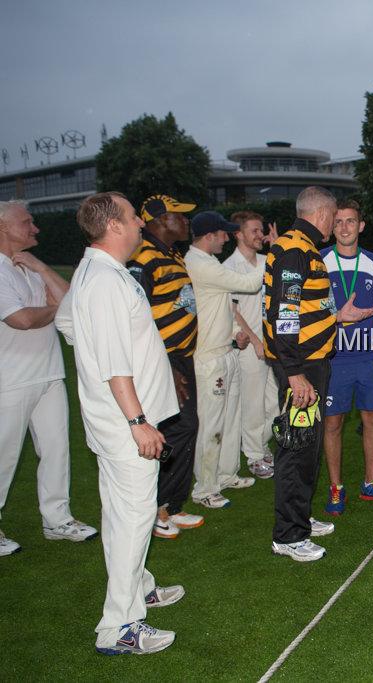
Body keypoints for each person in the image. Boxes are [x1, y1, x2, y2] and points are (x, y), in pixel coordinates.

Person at [56, 192, 187, 655]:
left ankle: (140, 588)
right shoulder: (105, 281)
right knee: (133, 519)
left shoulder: (92, 270)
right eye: (132, 217)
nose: (138, 224)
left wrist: (93, 362)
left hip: (113, 418)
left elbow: (66, 323)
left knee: (122, 515)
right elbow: (114, 364)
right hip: (127, 423)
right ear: (114, 225)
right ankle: (120, 626)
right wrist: (137, 420)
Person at [0, 201, 97, 557]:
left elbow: (71, 300)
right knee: (4, 457)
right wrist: (57, 309)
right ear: (3, 227)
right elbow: (22, 320)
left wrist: (40, 267)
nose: (35, 228)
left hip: (50, 374)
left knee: (57, 450)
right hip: (9, 380)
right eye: (27, 222)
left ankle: (58, 520)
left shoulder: (27, 267)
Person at [263, 186, 339, 562]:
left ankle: (300, 518)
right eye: (334, 216)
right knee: (297, 446)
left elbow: (307, 308)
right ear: (322, 214)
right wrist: (294, 372)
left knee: (307, 443)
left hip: (308, 362)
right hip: (301, 365)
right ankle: (289, 535)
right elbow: (285, 312)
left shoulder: (303, 247)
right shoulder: (295, 249)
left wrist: (339, 317)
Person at [128, 195, 205, 537]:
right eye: (180, 215)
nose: (186, 221)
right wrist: (166, 367)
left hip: (180, 357)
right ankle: (155, 507)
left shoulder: (170, 253)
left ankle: (171, 505)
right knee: (175, 429)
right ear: (158, 220)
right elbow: (137, 320)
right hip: (162, 360)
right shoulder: (142, 258)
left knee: (186, 428)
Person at [321, 199, 373, 517]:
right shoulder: (320, 262)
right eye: (338, 222)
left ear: (361, 226)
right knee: (334, 423)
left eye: (350, 221)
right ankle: (336, 486)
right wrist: (336, 317)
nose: (344, 227)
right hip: (334, 355)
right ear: (331, 227)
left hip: (368, 355)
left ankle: (371, 481)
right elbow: (309, 307)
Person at [184, 211, 264, 508]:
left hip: (225, 350)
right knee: (212, 424)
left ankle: (226, 474)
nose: (227, 238)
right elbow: (250, 283)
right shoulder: (198, 263)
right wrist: (279, 254)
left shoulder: (208, 262)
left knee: (230, 419)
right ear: (209, 236)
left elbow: (223, 305)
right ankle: (204, 488)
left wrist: (234, 332)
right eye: (223, 234)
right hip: (209, 357)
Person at [223, 211, 277, 479]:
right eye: (254, 231)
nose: (260, 235)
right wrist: (255, 341)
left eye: (261, 230)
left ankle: (259, 443)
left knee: (275, 404)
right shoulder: (229, 267)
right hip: (249, 346)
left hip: (271, 344)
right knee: (253, 404)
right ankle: (254, 456)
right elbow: (233, 312)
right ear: (239, 234)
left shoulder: (268, 260)